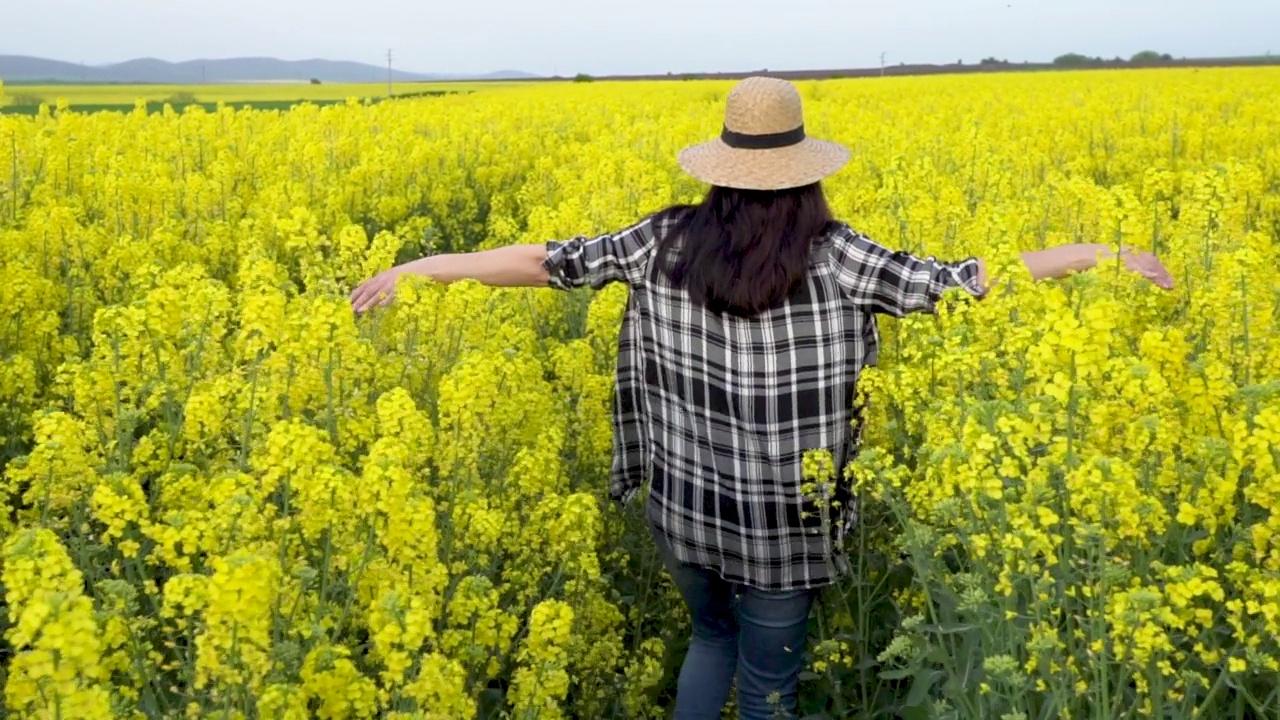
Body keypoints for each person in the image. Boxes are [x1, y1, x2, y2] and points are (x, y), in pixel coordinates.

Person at [350, 76, 1173, 719]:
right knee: (769, 685)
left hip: (684, 515)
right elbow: (965, 283)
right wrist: (1102, 252)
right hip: (789, 528)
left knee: (709, 641)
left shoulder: (662, 239)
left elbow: (545, 262)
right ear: (805, 172)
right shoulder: (841, 256)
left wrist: (420, 267)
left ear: (722, 169)